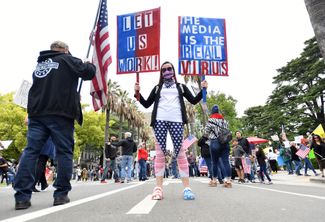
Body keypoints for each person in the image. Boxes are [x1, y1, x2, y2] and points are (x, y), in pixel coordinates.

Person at [13, 40, 96, 210]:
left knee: (31, 152)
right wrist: (88, 63)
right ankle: (61, 194)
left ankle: (21, 197)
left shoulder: (40, 65)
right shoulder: (66, 59)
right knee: (64, 152)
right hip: (60, 114)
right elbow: (89, 73)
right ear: (65, 50)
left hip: (37, 114)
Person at [134, 61, 208, 200]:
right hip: (160, 121)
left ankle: (187, 188)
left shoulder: (180, 87)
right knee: (160, 155)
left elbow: (193, 100)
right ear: (161, 73)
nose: (167, 71)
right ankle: (158, 189)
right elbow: (146, 104)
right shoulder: (157, 88)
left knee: (180, 153)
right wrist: (137, 92)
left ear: (173, 70)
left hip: (177, 121)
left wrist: (203, 89)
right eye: (164, 70)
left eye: (169, 69)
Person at [204, 105, 232, 188]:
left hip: (215, 142)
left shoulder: (210, 121)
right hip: (225, 143)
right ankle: (228, 181)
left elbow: (206, 132)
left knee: (214, 162)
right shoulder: (224, 121)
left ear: (212, 112)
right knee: (226, 161)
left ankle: (214, 181)